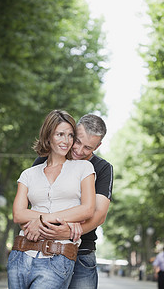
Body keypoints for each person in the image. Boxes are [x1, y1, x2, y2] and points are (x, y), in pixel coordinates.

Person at [7, 109, 96, 289]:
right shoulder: (28, 174)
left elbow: (87, 209)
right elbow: (18, 214)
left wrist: (40, 220)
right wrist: (65, 218)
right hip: (21, 254)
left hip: (57, 257)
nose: (66, 141)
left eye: (70, 135)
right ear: (48, 136)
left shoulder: (84, 168)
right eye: (60, 134)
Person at [24, 113, 113, 289]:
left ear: (98, 146)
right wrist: (44, 226)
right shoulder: (43, 161)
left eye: (88, 148)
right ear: (72, 133)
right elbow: (29, 208)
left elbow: (99, 214)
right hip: (43, 250)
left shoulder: (103, 168)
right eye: (77, 141)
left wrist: (67, 234)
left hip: (82, 253)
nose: (79, 151)